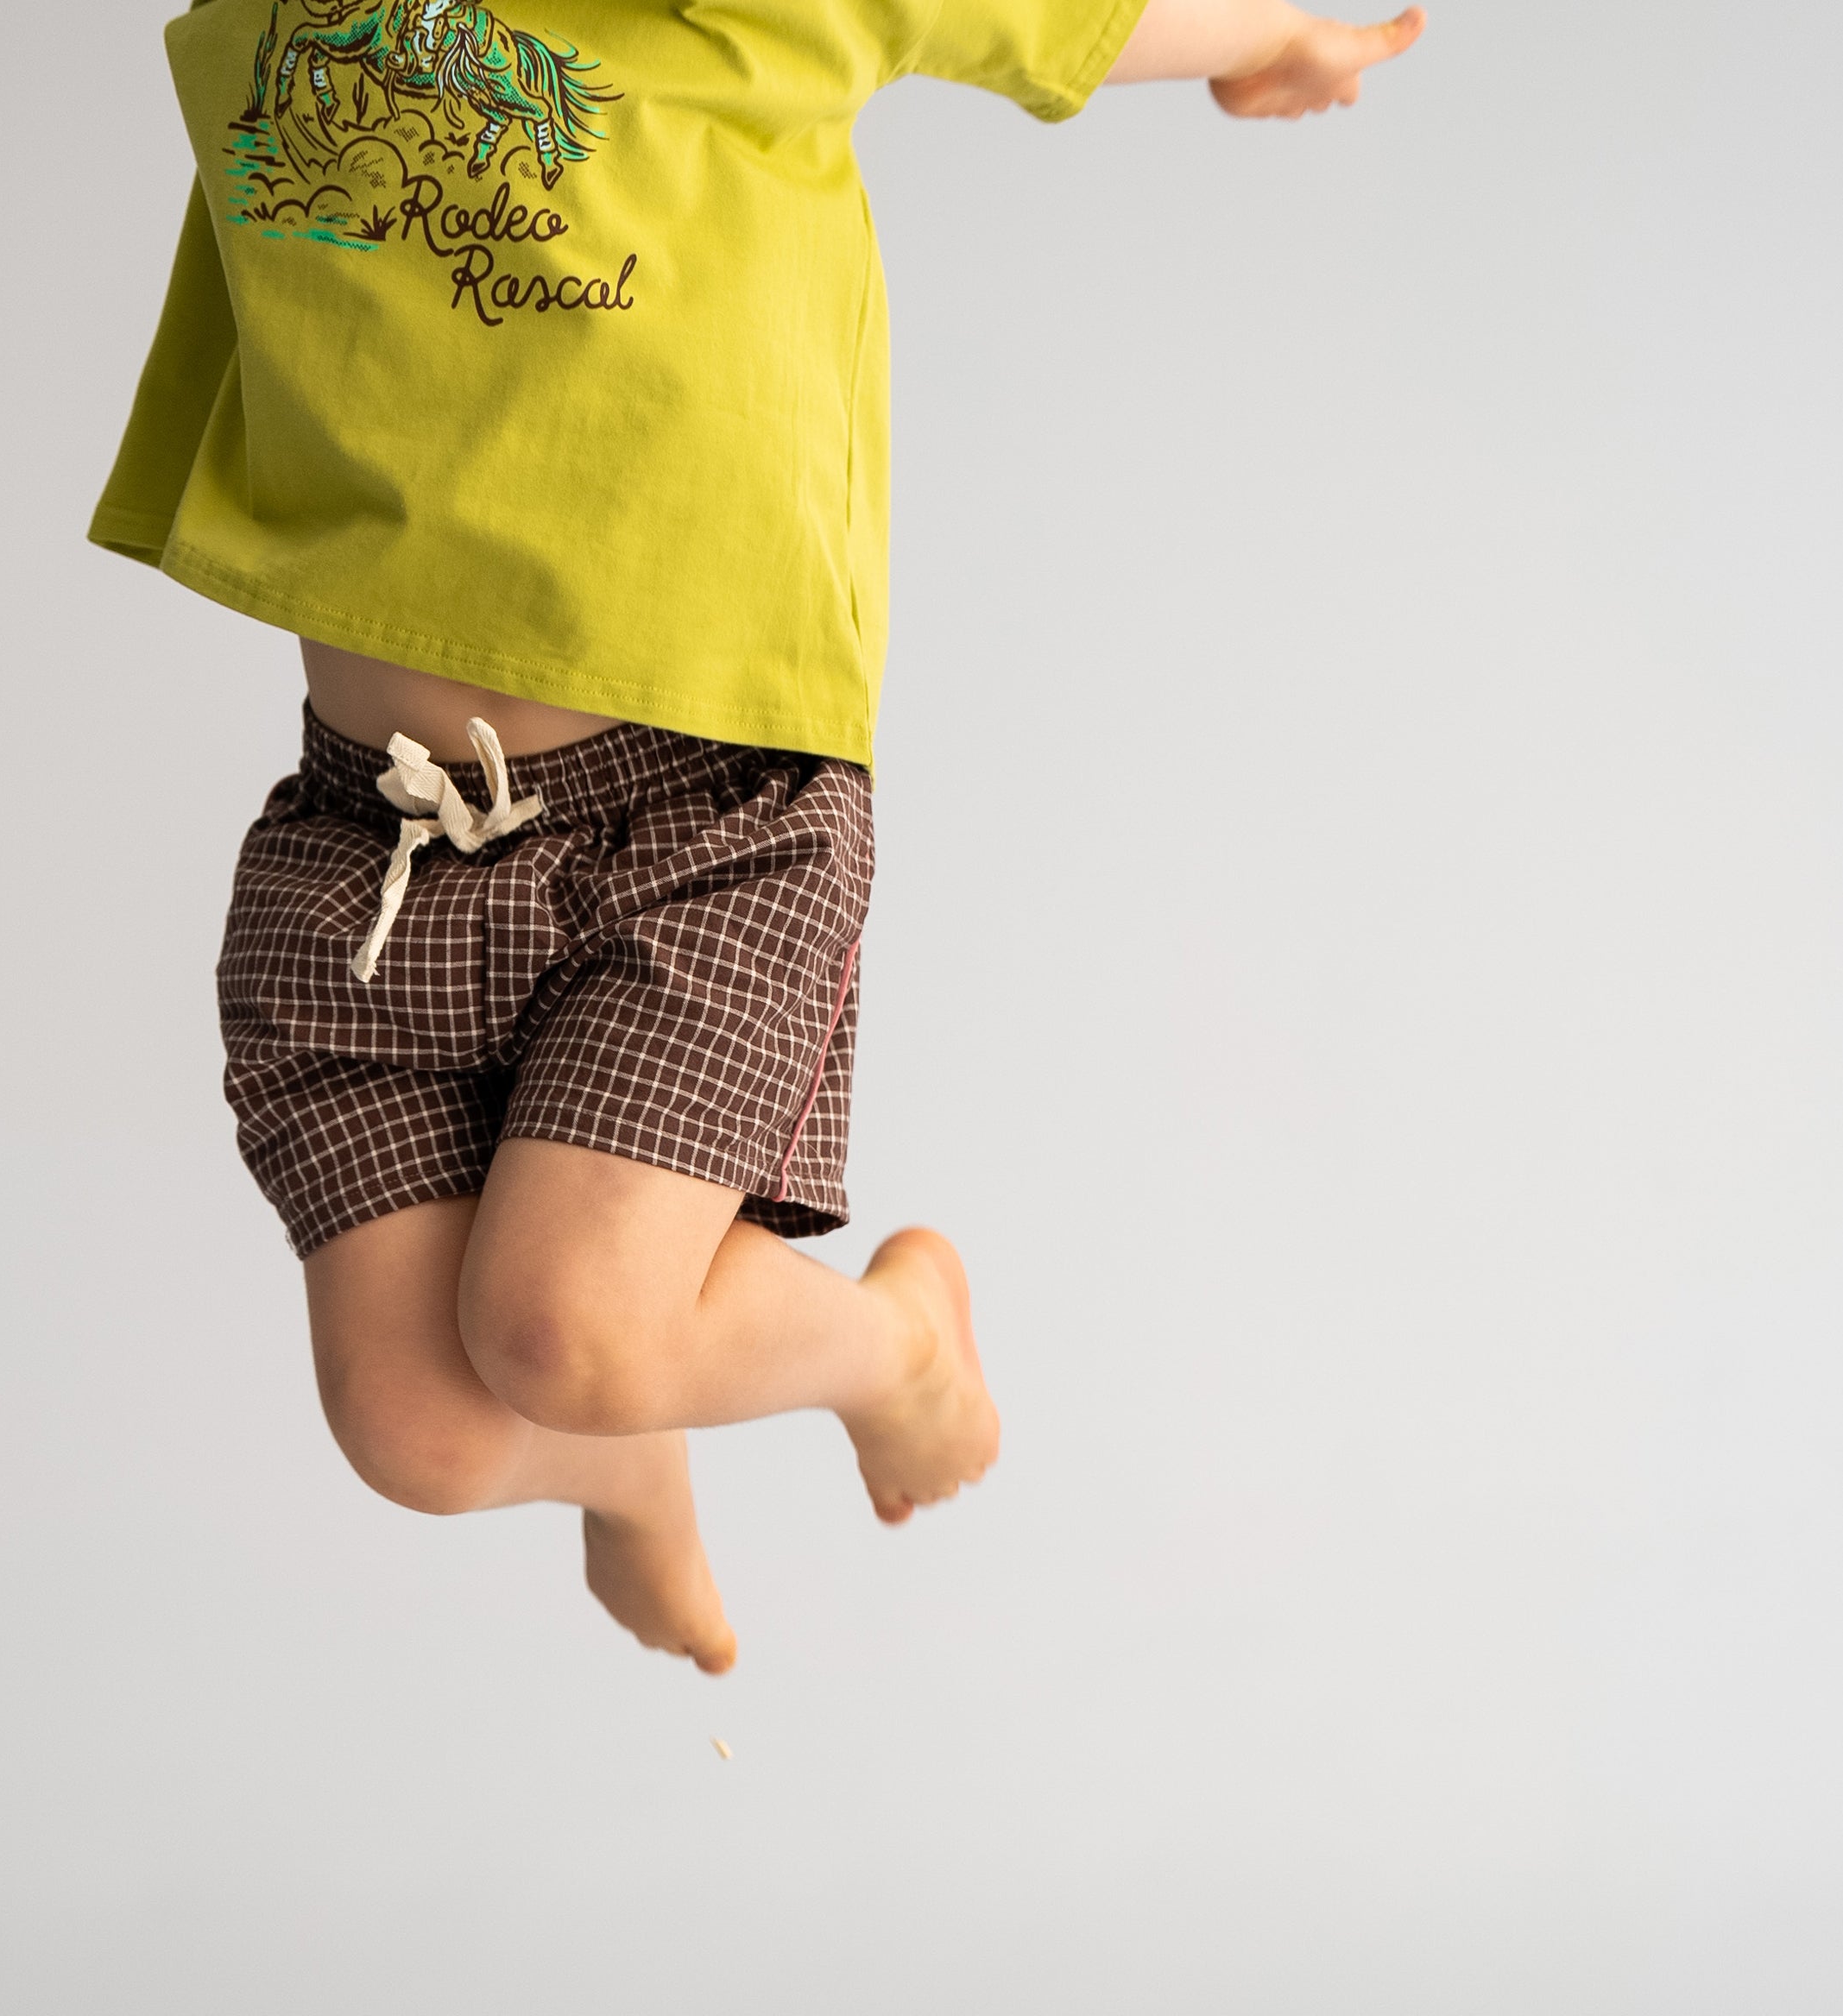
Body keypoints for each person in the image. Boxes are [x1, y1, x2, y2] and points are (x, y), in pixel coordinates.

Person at [94, 0, 1423, 1675]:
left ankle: (898, 1345)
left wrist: (1265, 35)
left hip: (692, 821)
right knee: (417, 1429)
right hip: (369, 850)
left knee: (567, 1328)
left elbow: (1041, 9)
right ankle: (631, 1476)